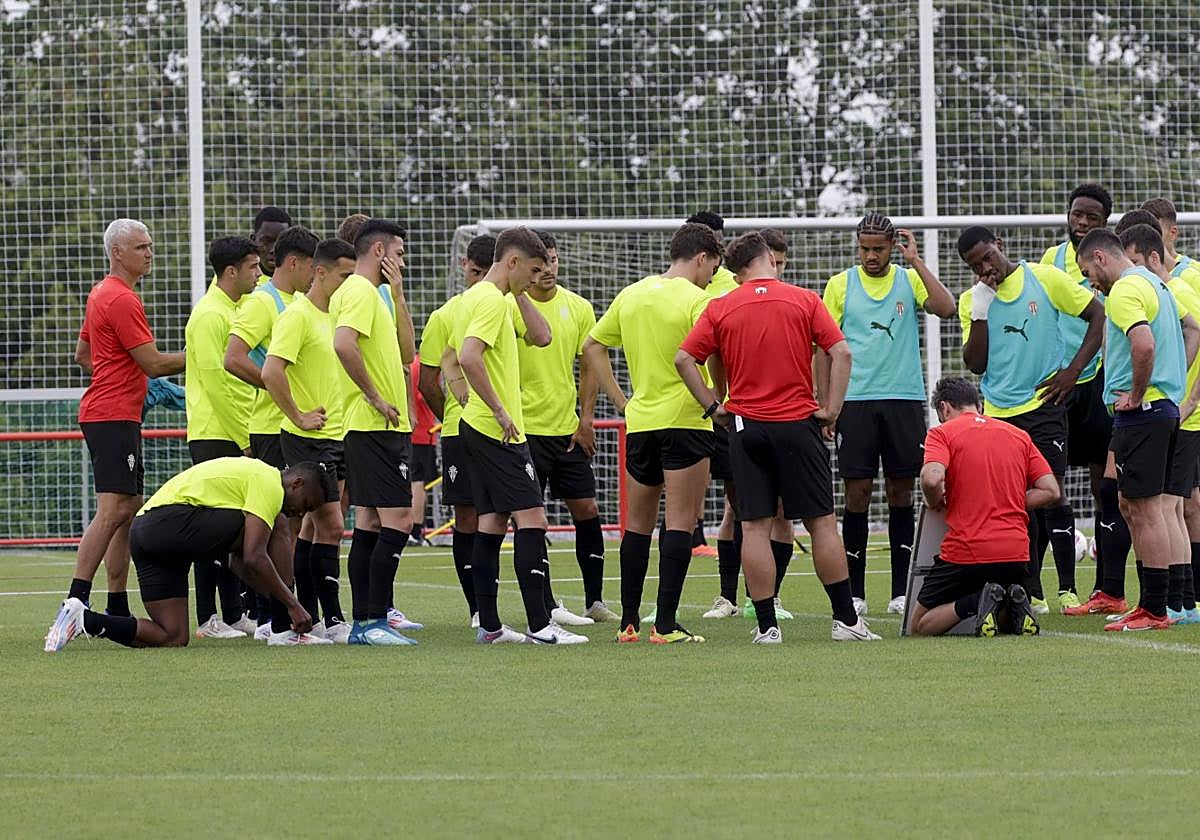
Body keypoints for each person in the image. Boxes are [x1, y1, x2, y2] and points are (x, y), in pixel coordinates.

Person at [675, 232, 880, 643]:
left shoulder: (721, 306)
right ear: (770, 258)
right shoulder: (804, 300)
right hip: (798, 425)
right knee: (821, 523)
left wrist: (714, 407)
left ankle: (767, 626)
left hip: (746, 427)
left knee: (754, 527)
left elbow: (684, 359)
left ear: (737, 274)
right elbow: (842, 352)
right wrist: (832, 409)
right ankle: (846, 621)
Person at [442, 227, 587, 645]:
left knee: (492, 521)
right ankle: (541, 625)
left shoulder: (480, 297)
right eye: (533, 270)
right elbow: (468, 357)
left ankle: (490, 626)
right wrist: (500, 410)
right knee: (533, 519)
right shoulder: (490, 301)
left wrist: (518, 292)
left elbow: (542, 336)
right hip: (497, 431)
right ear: (512, 262)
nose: (538, 279)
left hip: (478, 427)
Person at [45, 219, 184, 650]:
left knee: (128, 508)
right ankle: (75, 603)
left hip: (115, 413)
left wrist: (117, 376)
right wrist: (204, 354)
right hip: (112, 415)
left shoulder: (101, 292)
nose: (150, 252)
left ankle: (117, 605)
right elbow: (154, 363)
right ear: (117, 252)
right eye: (141, 247)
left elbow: (83, 354)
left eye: (150, 245)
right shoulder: (121, 298)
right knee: (112, 510)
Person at [582, 222, 723, 644]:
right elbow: (714, 353)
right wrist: (718, 398)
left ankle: (628, 623)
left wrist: (621, 401)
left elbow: (592, 346)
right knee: (680, 521)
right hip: (686, 418)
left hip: (641, 421)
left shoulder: (632, 293)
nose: (711, 277)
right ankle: (665, 624)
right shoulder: (698, 300)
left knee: (638, 524)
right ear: (701, 258)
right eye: (712, 269)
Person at [957, 226, 1104, 613]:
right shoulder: (972, 300)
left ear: (1000, 245)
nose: (986, 268)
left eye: (988, 257)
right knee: (1015, 502)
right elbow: (975, 364)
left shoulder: (1044, 278)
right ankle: (1031, 590)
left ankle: (1068, 588)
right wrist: (981, 310)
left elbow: (1098, 315)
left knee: (1052, 492)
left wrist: (1072, 371)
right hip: (999, 413)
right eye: (976, 265)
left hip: (1044, 406)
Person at [44, 458, 334, 651]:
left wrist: (282, 599)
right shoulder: (270, 481)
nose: (302, 512)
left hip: (147, 535)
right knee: (277, 522)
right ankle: (283, 629)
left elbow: (240, 563)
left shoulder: (256, 481)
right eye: (307, 504)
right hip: (167, 524)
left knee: (173, 636)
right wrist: (293, 605)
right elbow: (252, 557)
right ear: (297, 483)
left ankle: (85, 620)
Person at [820, 212, 956, 618]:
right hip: (855, 402)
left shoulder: (908, 279)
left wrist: (916, 261)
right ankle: (855, 592)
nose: (871, 256)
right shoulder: (840, 284)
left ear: (893, 246)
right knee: (857, 493)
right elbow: (823, 349)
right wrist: (826, 404)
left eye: (878, 249)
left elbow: (946, 307)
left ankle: (901, 590)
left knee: (901, 491)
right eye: (865, 248)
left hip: (903, 399)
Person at [1076, 228, 1191, 631]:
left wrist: (1138, 394)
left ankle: (1155, 609)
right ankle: (1151, 604)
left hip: (1145, 412)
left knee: (1146, 509)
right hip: (1158, 410)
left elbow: (1143, 344)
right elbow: (1188, 329)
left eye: (1088, 272)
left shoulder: (1126, 289)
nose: (1091, 282)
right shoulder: (1154, 283)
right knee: (1134, 505)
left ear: (1101, 257)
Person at [512, 230, 613, 623]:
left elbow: (588, 367)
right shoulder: (511, 306)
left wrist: (586, 419)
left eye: (553, 260)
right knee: (531, 517)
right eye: (542, 264)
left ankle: (595, 600)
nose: (549, 269)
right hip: (524, 431)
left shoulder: (579, 307)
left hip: (567, 430)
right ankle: (548, 605)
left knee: (587, 508)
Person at [262, 237, 359, 644]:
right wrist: (298, 415)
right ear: (320, 272)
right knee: (330, 525)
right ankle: (329, 620)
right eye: (345, 276)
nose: (351, 283)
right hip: (307, 440)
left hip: (337, 436)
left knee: (312, 530)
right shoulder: (297, 316)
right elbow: (270, 372)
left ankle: (309, 618)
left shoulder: (338, 315)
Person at [224, 225, 319, 638]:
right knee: (275, 528)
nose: (315, 275)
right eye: (312, 267)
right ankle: (270, 619)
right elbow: (233, 357)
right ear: (294, 263)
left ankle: (285, 616)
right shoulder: (264, 301)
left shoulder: (299, 303)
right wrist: (273, 385)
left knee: (294, 527)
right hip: (271, 427)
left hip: (295, 427)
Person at [909, 378, 1057, 637]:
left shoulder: (942, 433)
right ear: (979, 405)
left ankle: (976, 600)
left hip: (967, 550)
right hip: (1015, 552)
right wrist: (1007, 499)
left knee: (920, 625)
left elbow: (931, 479)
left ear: (944, 408)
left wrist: (935, 501)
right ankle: (1011, 600)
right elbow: (1051, 490)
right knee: (1006, 625)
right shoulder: (1018, 435)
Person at [331, 218, 420, 645]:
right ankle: (373, 621)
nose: (403, 261)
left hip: (380, 426)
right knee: (399, 520)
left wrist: (398, 294)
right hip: (372, 425)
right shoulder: (359, 291)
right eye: (399, 253)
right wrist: (375, 396)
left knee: (368, 522)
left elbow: (407, 352)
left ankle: (366, 623)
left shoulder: (377, 294)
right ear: (380, 252)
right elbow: (343, 343)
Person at [1116, 222, 1200, 623]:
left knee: (1165, 508)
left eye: (1132, 260)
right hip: (1172, 410)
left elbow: (1195, 330)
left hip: (1174, 413)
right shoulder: (1160, 290)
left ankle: (1174, 602)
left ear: (1153, 256)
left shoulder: (1170, 289)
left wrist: (1188, 396)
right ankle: (1178, 602)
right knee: (1167, 508)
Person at [1038, 183, 1114, 612]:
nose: (1082, 222)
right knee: (1051, 483)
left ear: (1105, 223)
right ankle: (1060, 586)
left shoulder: (1111, 260)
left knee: (1105, 484)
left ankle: (1105, 587)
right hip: (1056, 384)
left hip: (1098, 380)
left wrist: (1079, 371)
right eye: (1077, 215)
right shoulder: (1050, 261)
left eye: (1091, 217)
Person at [418, 233, 496, 626]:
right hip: (461, 432)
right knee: (468, 517)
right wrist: (450, 411)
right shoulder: (445, 314)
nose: (478, 280)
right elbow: (427, 379)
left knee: (509, 516)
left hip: (506, 429)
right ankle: (478, 609)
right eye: (474, 272)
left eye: (485, 273)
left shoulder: (507, 308)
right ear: (465, 266)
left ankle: (540, 606)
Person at [185, 236, 260, 639]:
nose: (259, 274)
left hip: (234, 430)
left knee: (233, 528)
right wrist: (243, 437)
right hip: (216, 434)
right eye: (252, 267)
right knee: (212, 528)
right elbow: (216, 384)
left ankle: (233, 613)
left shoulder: (236, 308)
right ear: (231, 271)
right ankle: (206, 618)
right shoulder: (209, 315)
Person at [251, 206, 294, 277]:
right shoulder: (239, 280)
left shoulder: (305, 280)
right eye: (267, 241)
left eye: (281, 242)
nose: (274, 250)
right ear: (253, 241)